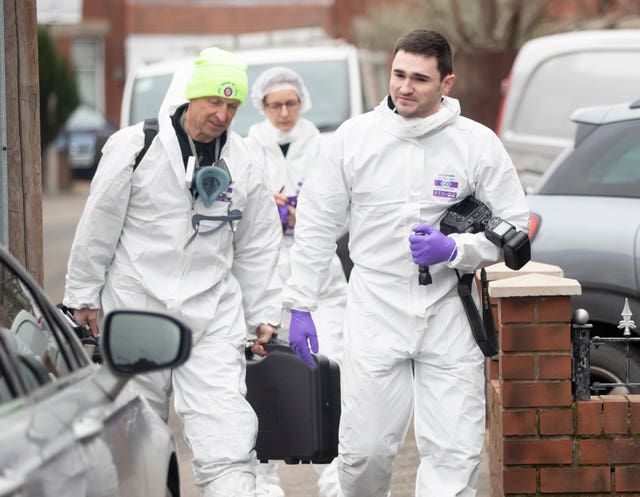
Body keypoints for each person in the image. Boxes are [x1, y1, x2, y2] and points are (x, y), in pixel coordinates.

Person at [282, 29, 529, 497]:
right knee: (365, 451)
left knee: (453, 452)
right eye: (398, 74)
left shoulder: (476, 144)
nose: (404, 87)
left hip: (449, 309)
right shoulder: (354, 140)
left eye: (419, 78)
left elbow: (514, 227)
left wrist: (456, 250)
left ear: (446, 83)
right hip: (376, 306)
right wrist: (299, 303)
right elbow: (315, 225)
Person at [63, 47, 283, 497]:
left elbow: (258, 245)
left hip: (211, 320)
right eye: (214, 103)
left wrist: (264, 312)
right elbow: (97, 227)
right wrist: (82, 296)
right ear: (190, 97)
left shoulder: (242, 163)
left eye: (232, 106)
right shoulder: (136, 148)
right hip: (137, 311)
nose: (222, 115)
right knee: (136, 447)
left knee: (228, 439)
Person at [244, 67, 347, 497]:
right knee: (262, 384)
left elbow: (343, 210)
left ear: (301, 103)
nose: (284, 112)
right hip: (267, 282)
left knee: (335, 377)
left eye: (290, 103)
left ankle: (338, 479)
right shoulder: (247, 148)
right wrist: (268, 206)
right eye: (275, 105)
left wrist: (313, 216)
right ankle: (263, 482)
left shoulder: (324, 147)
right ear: (262, 107)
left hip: (322, 283)